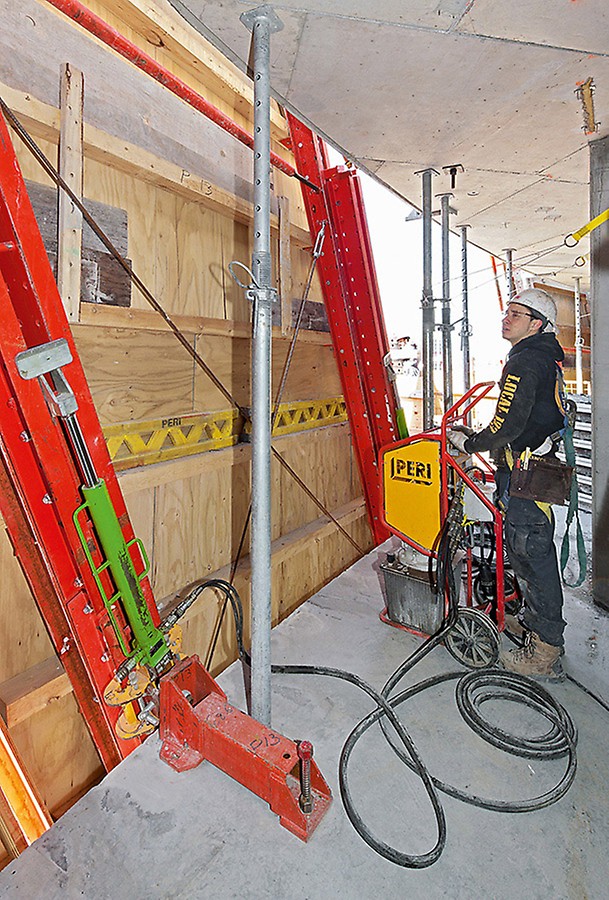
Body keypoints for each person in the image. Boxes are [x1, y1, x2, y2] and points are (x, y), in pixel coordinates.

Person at [447, 288, 567, 680]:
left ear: (537, 324)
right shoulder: (542, 357)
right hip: (532, 467)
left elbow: (507, 424)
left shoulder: (525, 362)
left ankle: (545, 649)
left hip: (525, 475)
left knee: (532, 556)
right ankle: (534, 623)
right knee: (526, 551)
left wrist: (471, 443)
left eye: (517, 314)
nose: (507, 318)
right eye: (507, 311)